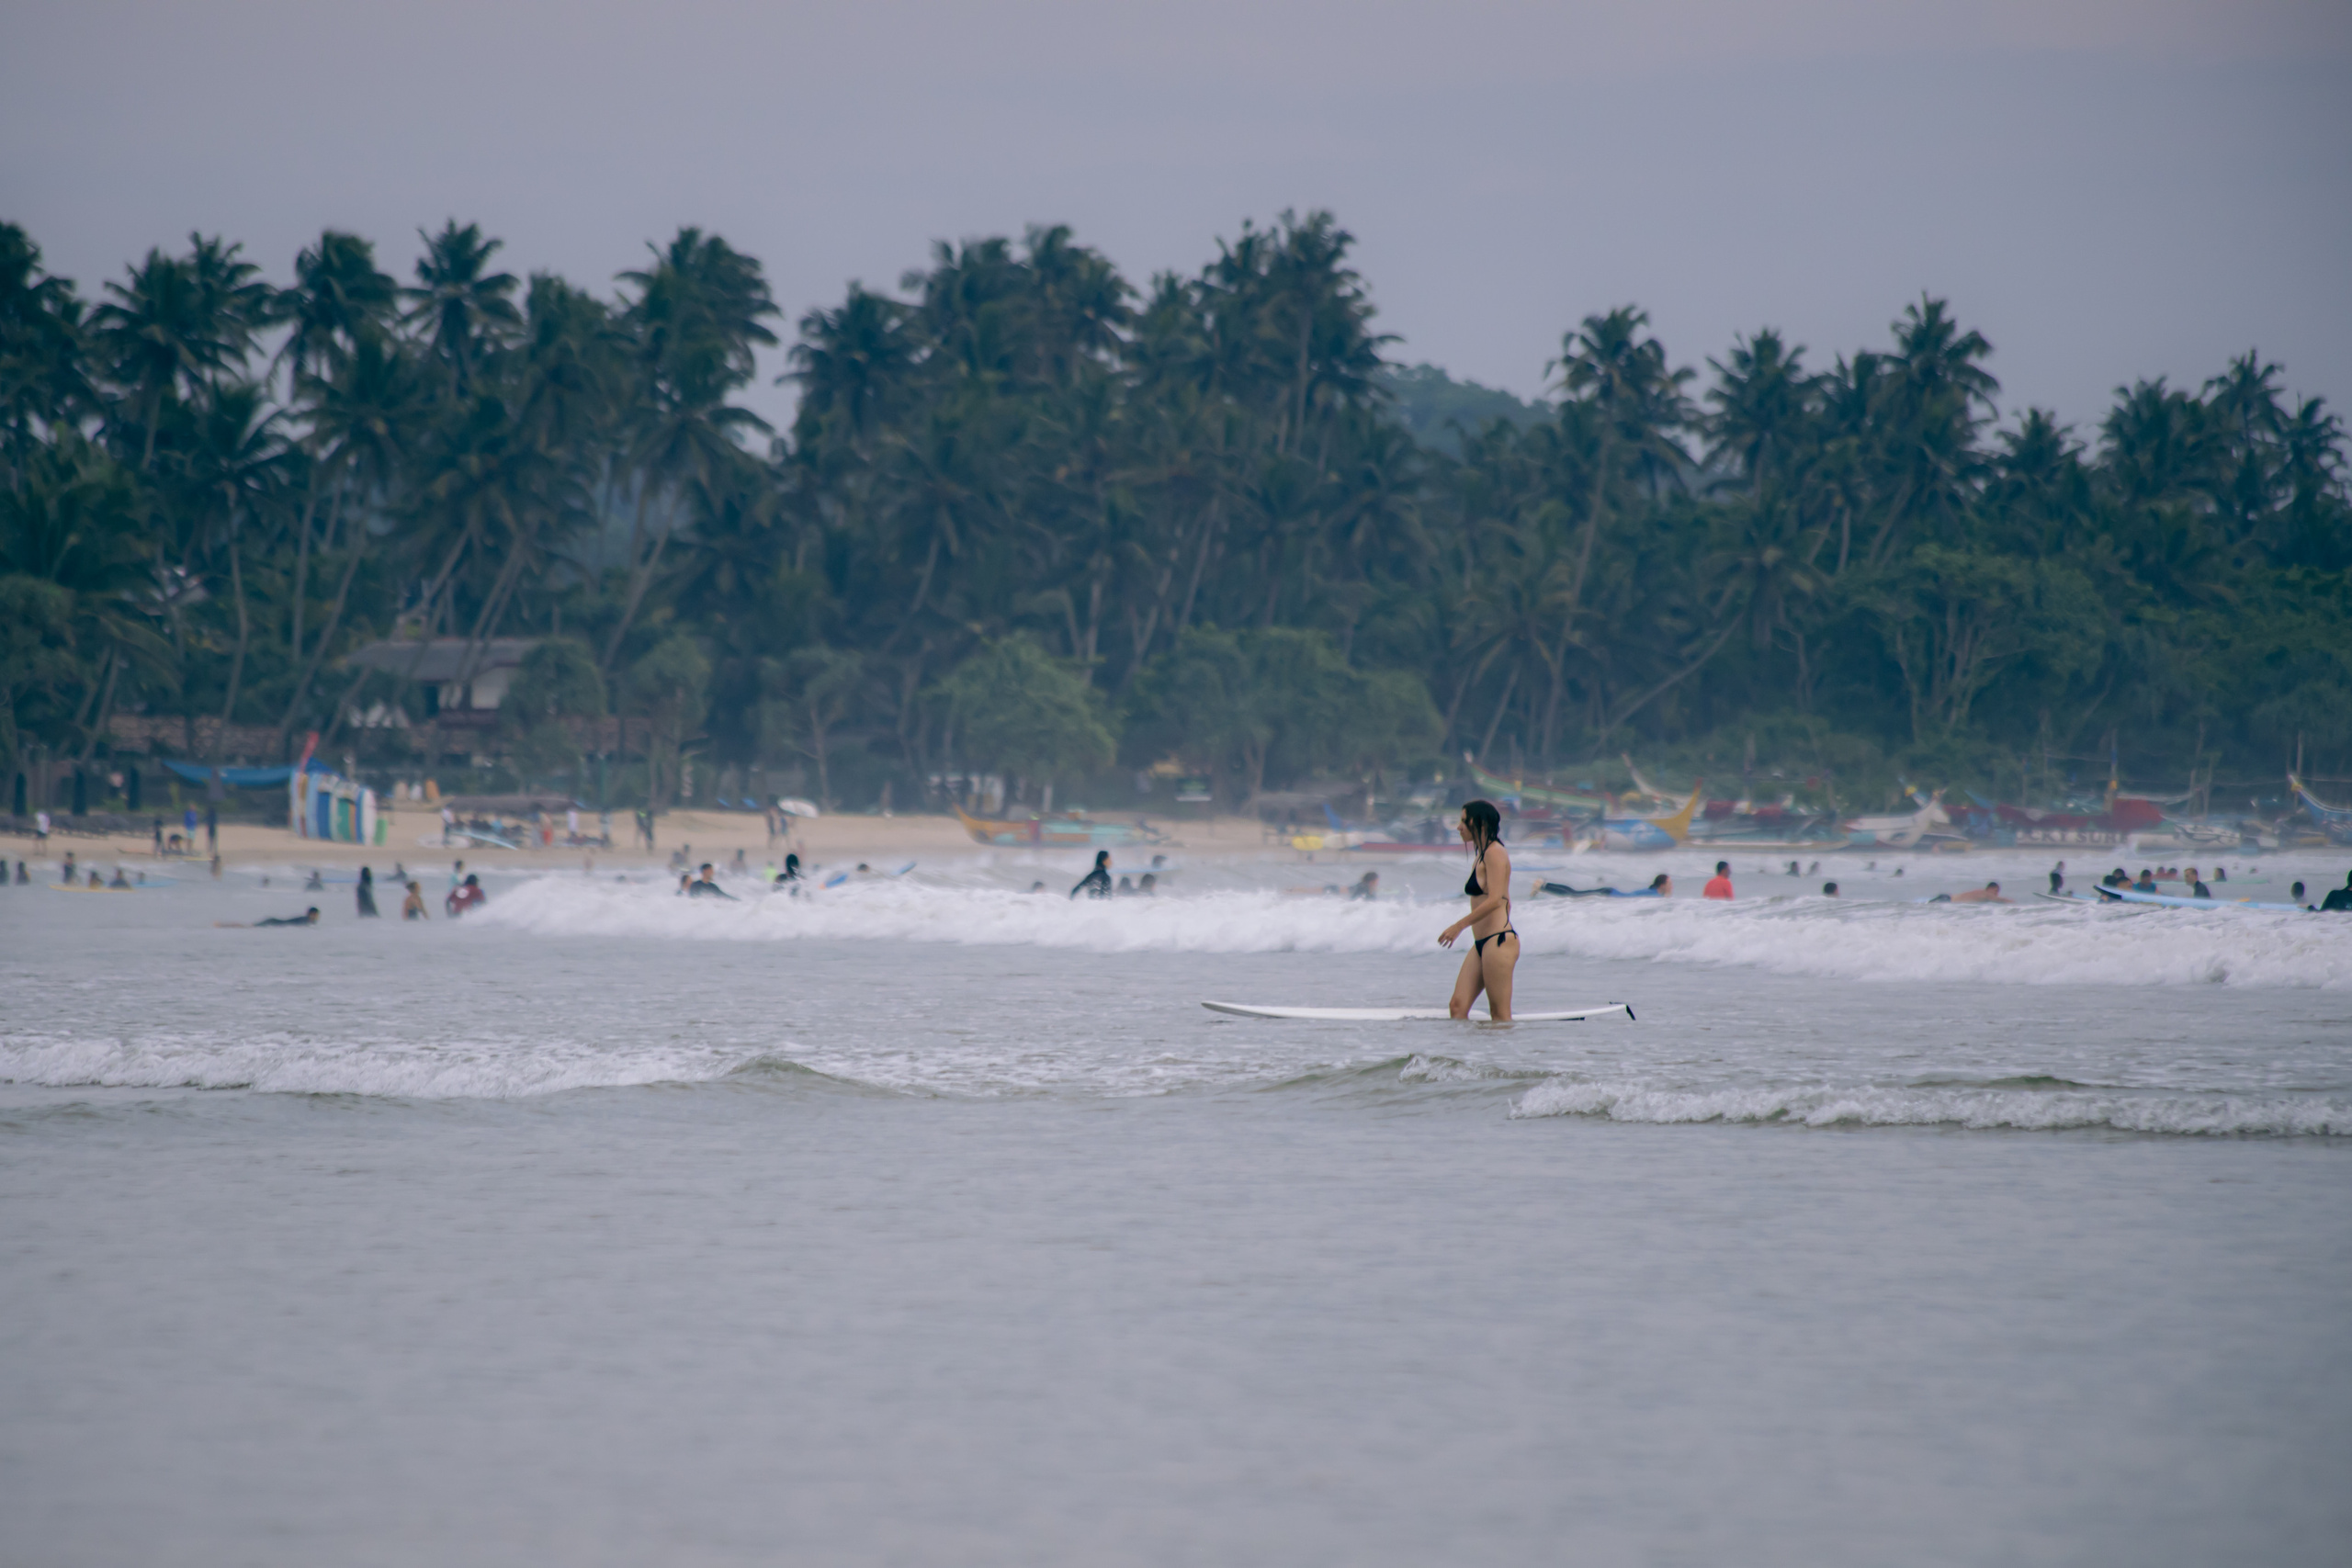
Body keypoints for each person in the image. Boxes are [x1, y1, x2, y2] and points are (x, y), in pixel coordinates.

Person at [1440, 799, 1516, 1021]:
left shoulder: (1495, 852)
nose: (1459, 827)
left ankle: (1503, 1056)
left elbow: (1495, 900)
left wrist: (1458, 926)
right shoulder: (1481, 855)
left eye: (1464, 821)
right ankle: (1466, 1055)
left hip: (1498, 941)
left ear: (1480, 824)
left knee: (1500, 1015)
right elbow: (1507, 901)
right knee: (1457, 1006)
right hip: (1482, 943)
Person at [255, 908, 321, 927]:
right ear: (312, 914)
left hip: (275, 921)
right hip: (276, 923)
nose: (317, 917)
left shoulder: (306, 920)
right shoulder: (305, 921)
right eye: (316, 915)